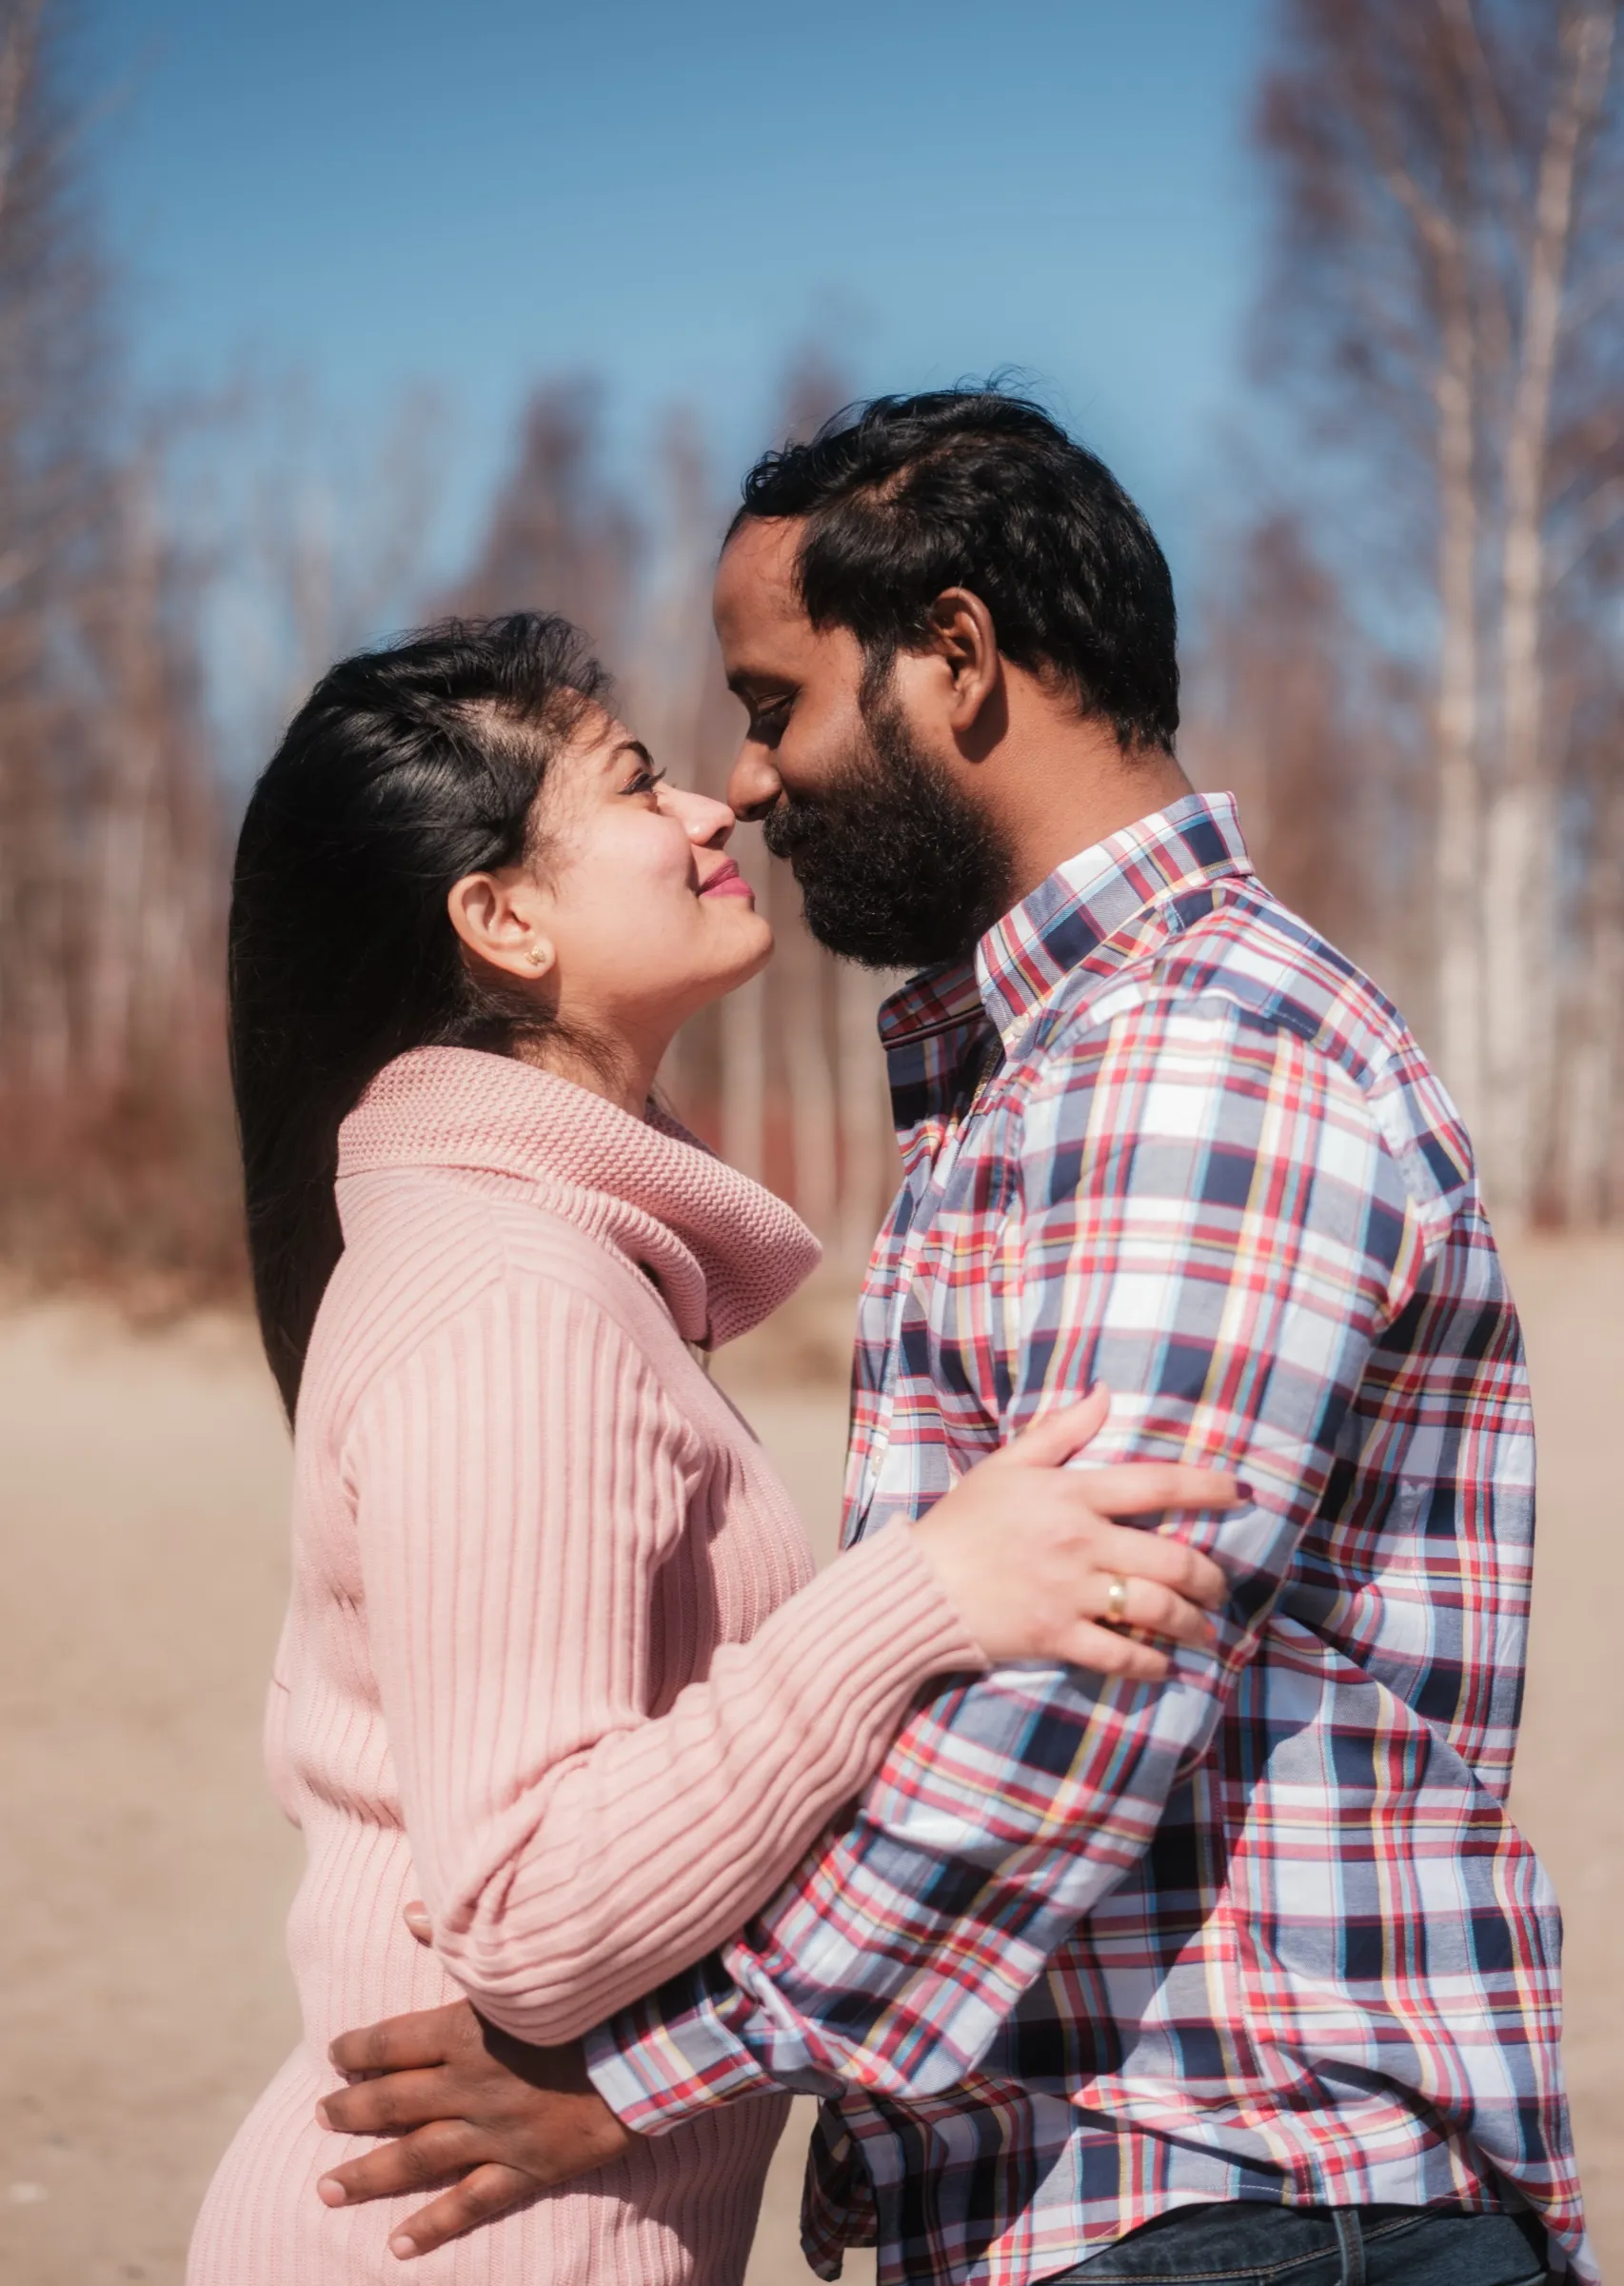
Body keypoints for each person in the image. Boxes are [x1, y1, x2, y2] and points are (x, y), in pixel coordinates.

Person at [316, 394, 1589, 2286]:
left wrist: (638, 2075)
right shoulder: (1053, 1068)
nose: (750, 783)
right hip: (1160, 2200)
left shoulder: (1193, 1058)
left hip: (1237, 2191)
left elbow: (1077, 1690)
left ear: (957, 658)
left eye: (771, 704)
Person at [187, 609, 1234, 2286]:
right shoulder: (504, 1298)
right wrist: (916, 1595)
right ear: (504, 918)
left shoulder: (542, 1263)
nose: (709, 812)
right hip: (473, 2242)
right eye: (634, 783)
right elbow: (527, 1914)